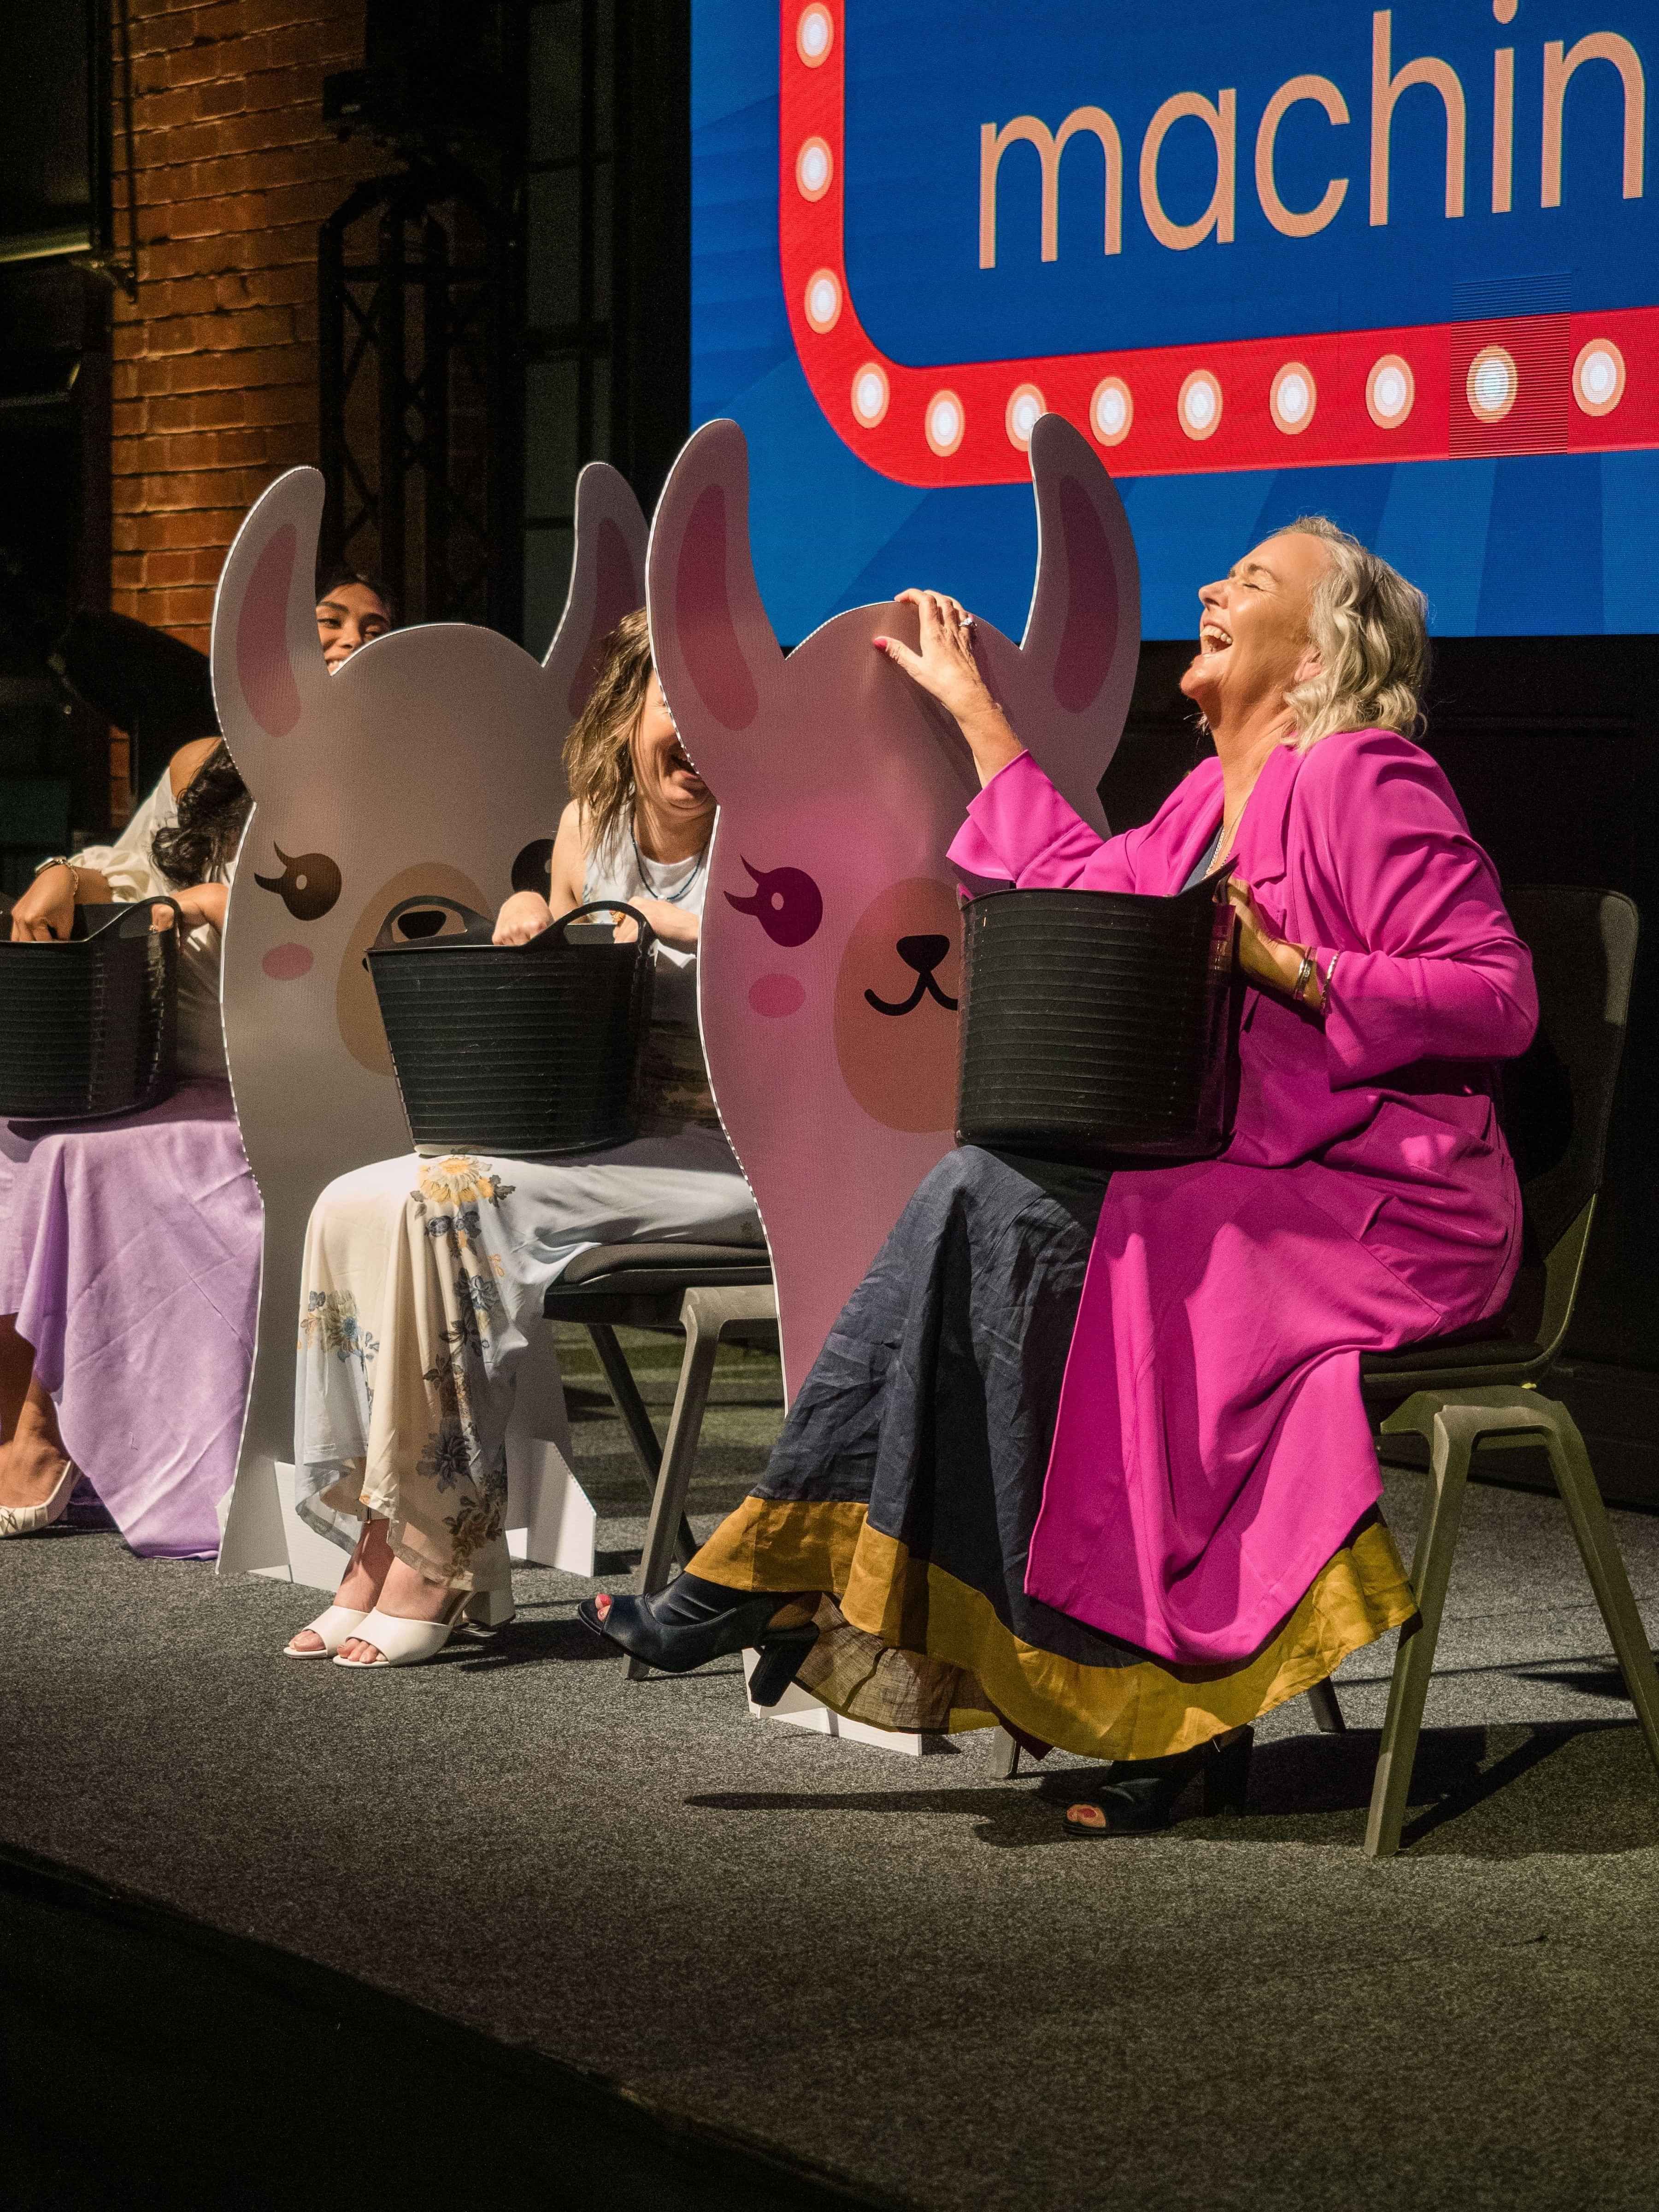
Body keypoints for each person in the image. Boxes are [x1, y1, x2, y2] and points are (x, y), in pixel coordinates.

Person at [581, 518, 1539, 1836]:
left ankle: (1130, 1698)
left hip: (1389, 1206)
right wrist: (976, 710)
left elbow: (1501, 995)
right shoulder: (1209, 801)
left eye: (1252, 583)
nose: (1211, 588)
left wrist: (1296, 971)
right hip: (1244, 1179)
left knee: (1093, 1234)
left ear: (1319, 657)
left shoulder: (1366, 778)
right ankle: (771, 1564)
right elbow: (1087, 883)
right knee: (986, 1189)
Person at [284, 609, 764, 1667]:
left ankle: (438, 1550)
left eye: (725, 712)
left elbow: (801, 975)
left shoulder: (774, 834)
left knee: (452, 1200)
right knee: (354, 1200)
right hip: (599, 1135)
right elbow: (561, 954)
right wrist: (524, 912)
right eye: (675, 703)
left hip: (730, 1152)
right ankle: (388, 1531)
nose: (700, 738)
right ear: (630, 713)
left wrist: (680, 923)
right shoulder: (591, 823)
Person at [0, 569, 394, 1546]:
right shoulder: (202, 764)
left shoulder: (397, 765)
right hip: (155, 1061)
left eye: (377, 628)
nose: (353, 637)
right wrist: (66, 871)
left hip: (286, 1080)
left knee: (80, 1161)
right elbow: (130, 870)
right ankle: (24, 1420)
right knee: (13, 1131)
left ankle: (45, 1430)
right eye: (331, 622)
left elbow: (368, 909)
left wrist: (214, 906)